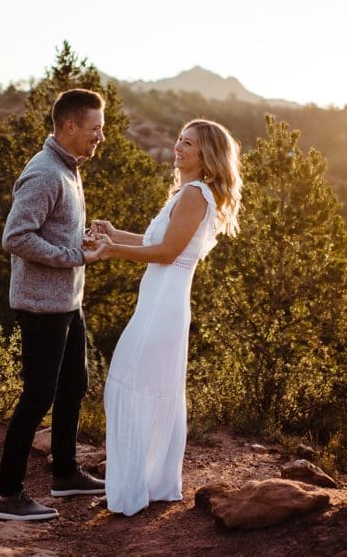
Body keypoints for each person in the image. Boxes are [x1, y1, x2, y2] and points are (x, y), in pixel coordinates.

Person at [91, 118, 242, 517]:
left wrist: (110, 251)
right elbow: (153, 242)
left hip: (164, 307)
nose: (178, 147)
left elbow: (166, 254)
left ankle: (135, 490)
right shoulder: (185, 194)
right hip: (158, 302)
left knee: (133, 385)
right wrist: (114, 234)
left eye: (187, 143)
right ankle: (142, 485)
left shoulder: (195, 194)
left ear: (205, 155)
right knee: (139, 386)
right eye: (178, 138)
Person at [0, 88, 109, 522]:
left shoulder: (70, 169)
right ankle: (8, 496)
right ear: (69, 126)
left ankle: (65, 474)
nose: (100, 137)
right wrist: (76, 256)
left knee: (73, 386)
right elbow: (16, 237)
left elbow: (51, 233)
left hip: (66, 302)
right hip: (41, 307)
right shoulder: (44, 173)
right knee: (37, 397)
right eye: (94, 129)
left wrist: (81, 242)